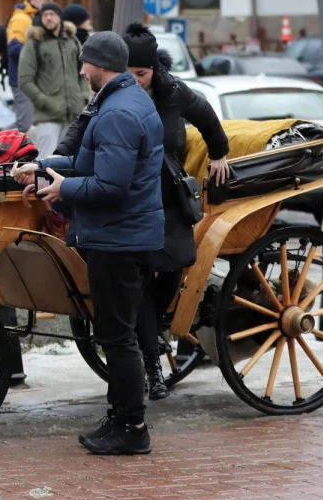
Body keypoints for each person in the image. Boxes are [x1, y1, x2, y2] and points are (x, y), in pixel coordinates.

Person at [15, 30, 164, 455]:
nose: (81, 71)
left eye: (85, 63)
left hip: (119, 239)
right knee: (117, 334)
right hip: (123, 235)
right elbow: (90, 161)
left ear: (100, 65)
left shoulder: (117, 112)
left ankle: (132, 428)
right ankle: (120, 417)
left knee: (117, 337)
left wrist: (62, 187)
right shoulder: (125, 101)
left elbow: (110, 186)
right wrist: (43, 166)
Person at [122, 24, 230, 399]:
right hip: (131, 199)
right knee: (138, 277)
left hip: (169, 197)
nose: (135, 81)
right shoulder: (112, 93)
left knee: (173, 266)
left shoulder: (173, 92)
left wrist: (219, 154)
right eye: (128, 73)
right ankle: (153, 365)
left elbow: (208, 118)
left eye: (141, 73)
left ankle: (153, 335)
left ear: (154, 69)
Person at [17, 2, 89, 159]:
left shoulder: (72, 41)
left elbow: (83, 72)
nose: (48, 18)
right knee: (46, 162)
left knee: (70, 161)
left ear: (60, 17)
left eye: (52, 14)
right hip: (48, 117)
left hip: (73, 114)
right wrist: (45, 102)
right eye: (45, 15)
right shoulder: (34, 43)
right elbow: (24, 80)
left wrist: (83, 96)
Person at [0, 0, 54, 133]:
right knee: (24, 125)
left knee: (31, 123)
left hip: (32, 78)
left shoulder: (35, 18)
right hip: (22, 79)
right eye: (46, 1)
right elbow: (14, 48)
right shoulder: (21, 19)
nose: (49, 6)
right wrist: (39, 56)